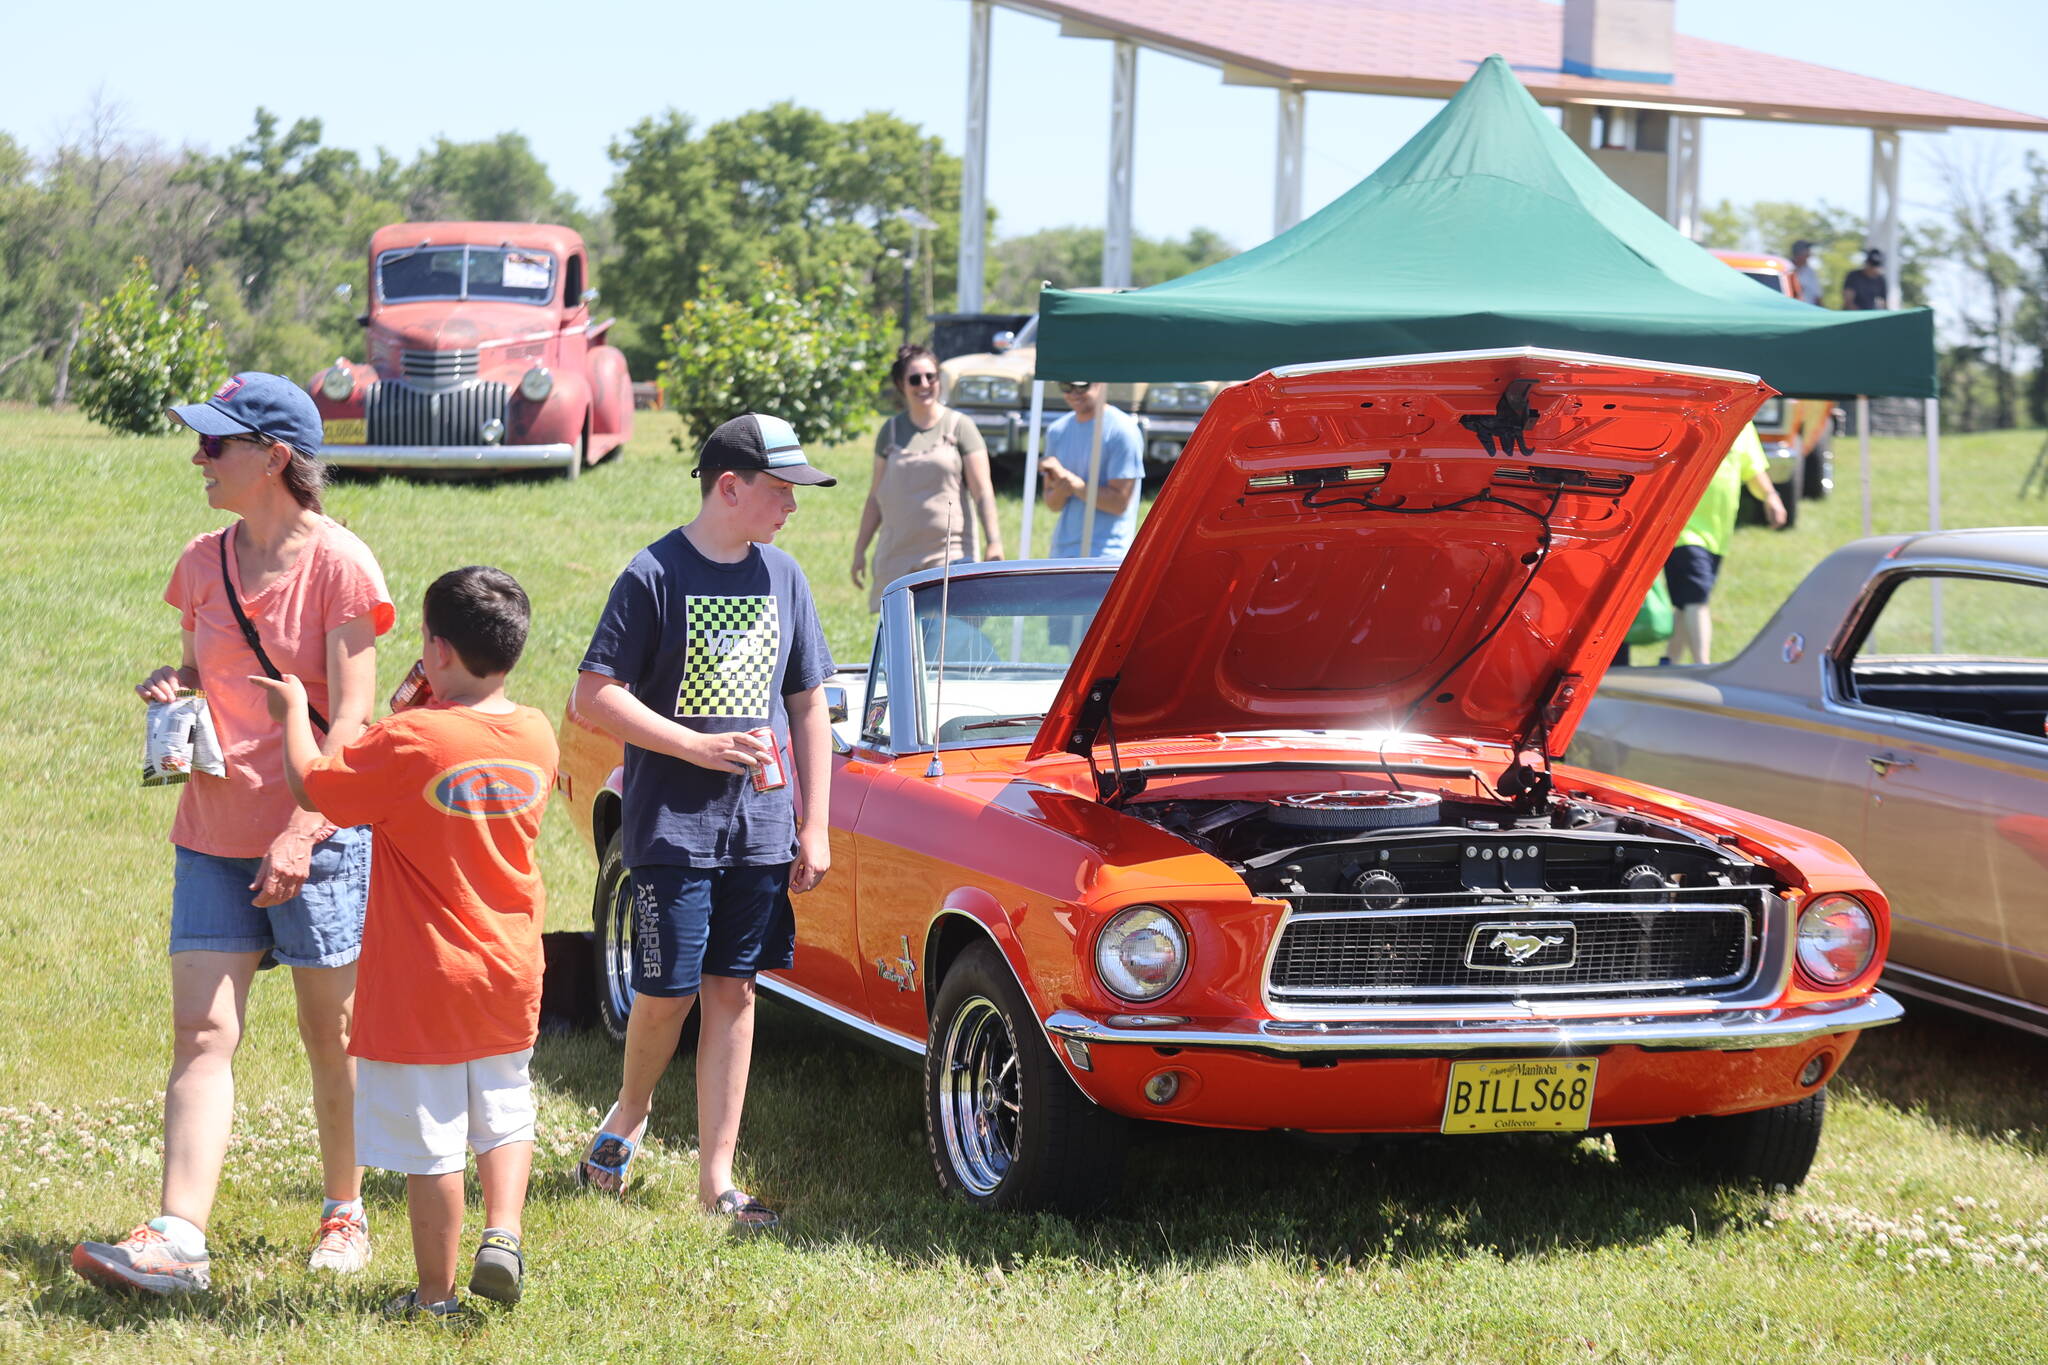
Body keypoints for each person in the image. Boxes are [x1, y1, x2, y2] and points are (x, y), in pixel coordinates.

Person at [73, 373, 394, 1297]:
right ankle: (180, 1237)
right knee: (200, 1030)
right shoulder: (199, 559)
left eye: (217, 444)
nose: (199, 458)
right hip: (212, 829)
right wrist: (172, 684)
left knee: (330, 1035)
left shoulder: (342, 567)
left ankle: (345, 1207)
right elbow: (200, 659)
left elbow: (356, 727)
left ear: (276, 458)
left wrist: (304, 828)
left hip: (316, 836)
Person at [253, 566, 557, 1319]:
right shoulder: (536, 732)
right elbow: (448, 751)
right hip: (510, 966)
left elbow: (312, 785)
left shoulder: (410, 738)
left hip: (426, 977)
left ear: (438, 648)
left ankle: (435, 1295)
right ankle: (505, 1233)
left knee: (433, 1143)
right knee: (504, 1110)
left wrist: (295, 709)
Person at [571, 413, 836, 1231]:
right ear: (730, 486)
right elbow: (593, 693)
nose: (792, 506)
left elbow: (809, 703)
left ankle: (717, 1177)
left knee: (735, 989)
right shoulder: (653, 574)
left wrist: (812, 822)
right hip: (672, 828)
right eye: (780, 490)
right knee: (666, 993)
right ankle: (629, 1112)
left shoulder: (785, 576)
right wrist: (694, 742)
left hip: (759, 829)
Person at [852, 344, 1004, 611]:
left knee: (949, 637)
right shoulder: (891, 431)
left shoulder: (960, 426)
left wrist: (994, 541)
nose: (924, 384)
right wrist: (859, 551)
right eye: (915, 379)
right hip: (896, 555)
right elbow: (876, 498)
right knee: (900, 644)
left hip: (949, 554)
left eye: (930, 376)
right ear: (901, 384)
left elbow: (983, 492)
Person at [1662, 422, 1787, 666]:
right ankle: (1702, 665)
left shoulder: (1743, 424)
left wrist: (1771, 497)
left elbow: (1753, 469)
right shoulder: (1690, 415)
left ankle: (1669, 663)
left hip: (1717, 534)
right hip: (1682, 528)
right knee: (1696, 600)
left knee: (1686, 603)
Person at [1039, 381, 1144, 559]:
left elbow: (1119, 504)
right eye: (1066, 387)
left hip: (1107, 555)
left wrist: (1073, 483)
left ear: (1101, 383)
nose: (1074, 393)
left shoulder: (1123, 431)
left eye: (1082, 386)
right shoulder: (1056, 431)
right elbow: (1052, 504)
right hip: (1061, 554)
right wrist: (1061, 488)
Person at [1789, 239, 1823, 305]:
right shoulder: (1786, 269)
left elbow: (1817, 296)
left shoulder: (1810, 272)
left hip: (1808, 310)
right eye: (1807, 251)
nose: (1809, 255)